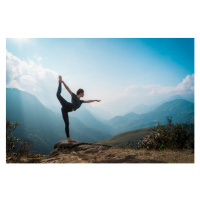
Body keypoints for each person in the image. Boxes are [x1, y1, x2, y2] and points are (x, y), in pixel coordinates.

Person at [56, 75, 101, 142]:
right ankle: (59, 82)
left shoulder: (80, 101)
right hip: (67, 105)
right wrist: (62, 82)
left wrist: (95, 100)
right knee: (58, 95)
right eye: (83, 93)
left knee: (67, 124)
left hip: (65, 110)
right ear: (81, 93)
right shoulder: (74, 96)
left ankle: (68, 138)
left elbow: (88, 101)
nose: (84, 94)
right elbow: (68, 89)